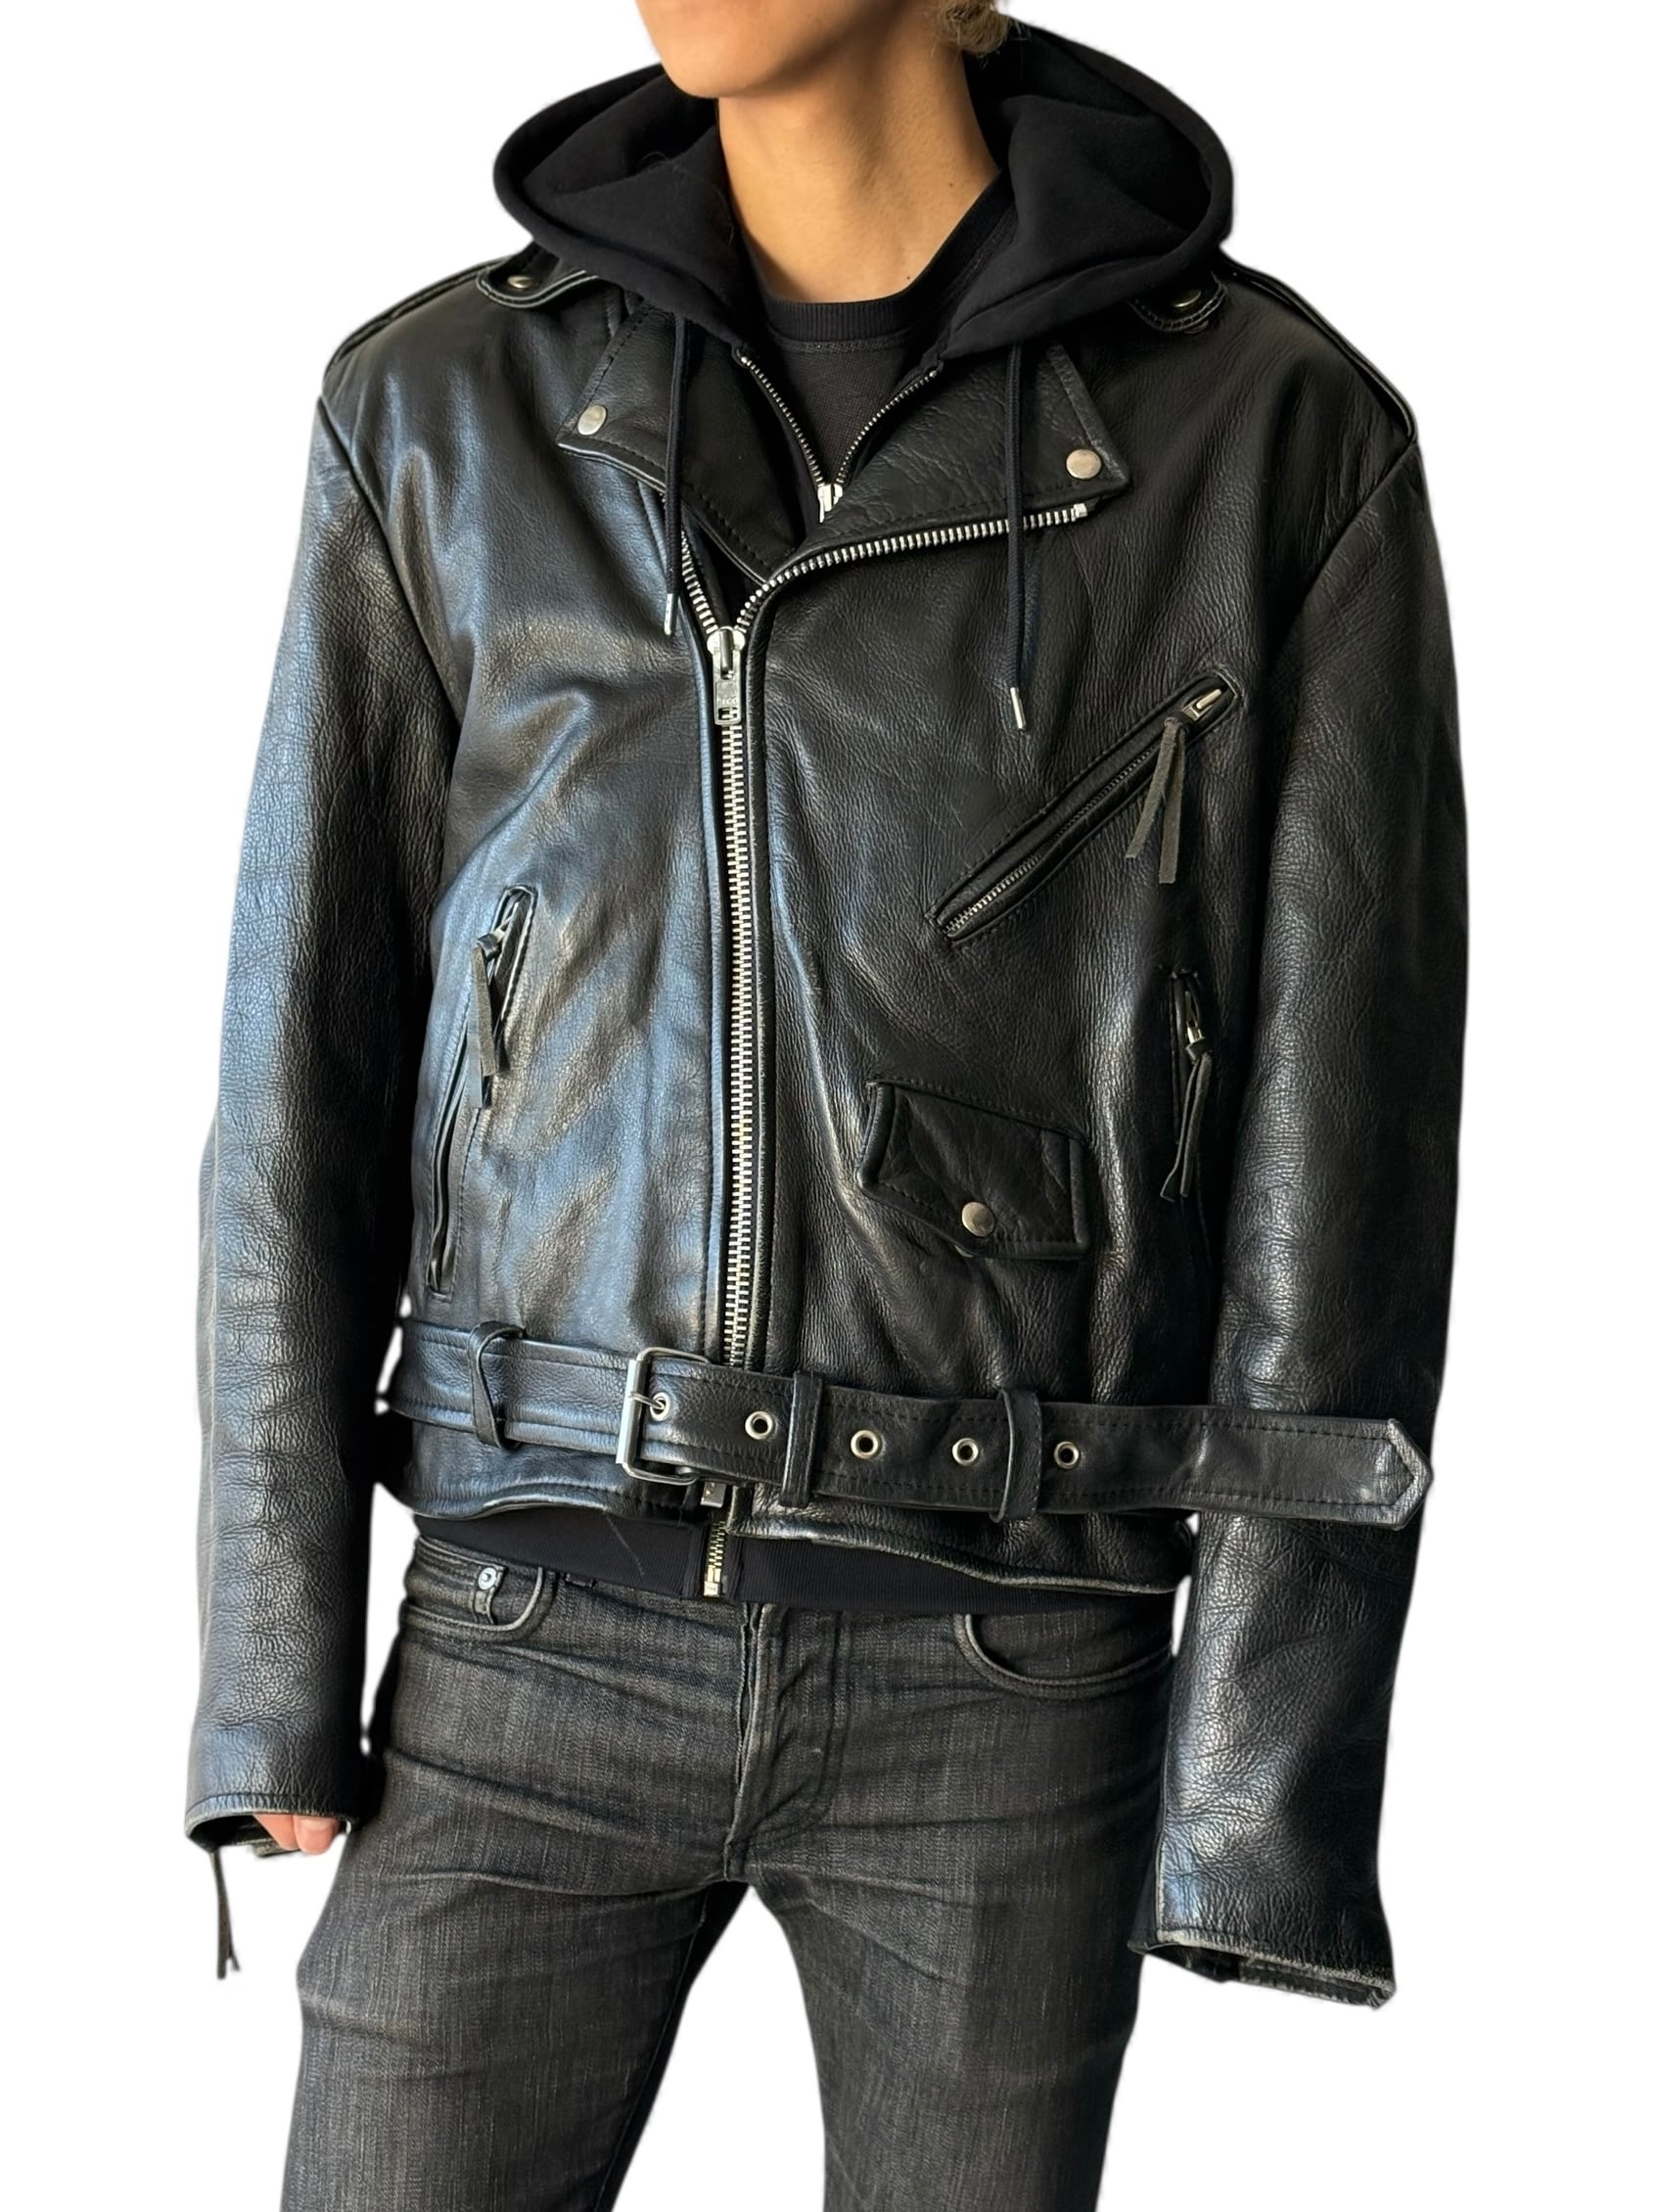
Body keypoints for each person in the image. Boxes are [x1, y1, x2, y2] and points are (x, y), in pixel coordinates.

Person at [185, 2, 1466, 2204]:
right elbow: (298, 1063)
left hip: (1006, 1650)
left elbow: (1341, 1141)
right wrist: (267, 1665)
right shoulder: (447, 405)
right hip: (523, 1629)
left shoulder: (1272, 432)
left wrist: (1260, 1788)